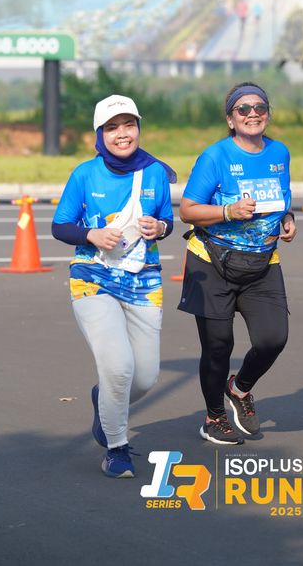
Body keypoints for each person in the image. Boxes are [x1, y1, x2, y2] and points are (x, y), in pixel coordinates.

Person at [52, 94, 175, 478]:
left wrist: (160, 227)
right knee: (119, 368)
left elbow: (167, 221)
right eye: (112, 127)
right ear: (99, 134)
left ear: (138, 128)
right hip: (93, 278)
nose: (122, 134)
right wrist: (91, 234)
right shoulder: (85, 174)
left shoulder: (155, 172)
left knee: (144, 377)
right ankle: (116, 448)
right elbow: (60, 226)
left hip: (143, 281)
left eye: (128, 125)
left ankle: (103, 396)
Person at [178, 82, 296, 445]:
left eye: (260, 107)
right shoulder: (215, 157)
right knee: (218, 346)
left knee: (273, 338)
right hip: (211, 262)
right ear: (231, 119)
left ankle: (239, 388)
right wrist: (228, 211)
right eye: (243, 109)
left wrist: (287, 218)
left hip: (262, 262)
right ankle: (214, 417)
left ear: (268, 114)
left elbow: (280, 198)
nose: (252, 114)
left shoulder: (279, 153)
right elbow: (188, 211)